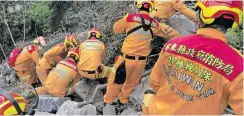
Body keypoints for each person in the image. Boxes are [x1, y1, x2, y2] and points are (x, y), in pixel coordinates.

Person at [143, 0, 243, 115]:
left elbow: (155, 82)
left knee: (148, 96)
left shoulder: (173, 45)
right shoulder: (238, 64)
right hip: (155, 25)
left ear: (202, 16)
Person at [103, 0, 180, 105]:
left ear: (138, 6)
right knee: (131, 84)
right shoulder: (155, 24)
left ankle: (108, 102)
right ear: (151, 8)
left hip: (125, 60)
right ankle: (122, 101)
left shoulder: (129, 18)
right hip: (141, 63)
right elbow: (173, 34)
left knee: (115, 81)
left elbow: (116, 29)